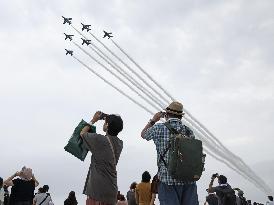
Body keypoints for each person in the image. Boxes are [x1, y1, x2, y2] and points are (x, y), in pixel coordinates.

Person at [141, 101, 199, 205]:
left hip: (167, 179)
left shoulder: (159, 128)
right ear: (180, 116)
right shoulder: (188, 131)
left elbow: (143, 134)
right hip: (189, 180)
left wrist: (153, 120)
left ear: (166, 114)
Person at [80, 111, 124, 205]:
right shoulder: (120, 144)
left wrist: (94, 120)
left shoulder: (99, 140)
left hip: (97, 191)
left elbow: (82, 133)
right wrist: (108, 119)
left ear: (107, 125)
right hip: (111, 191)